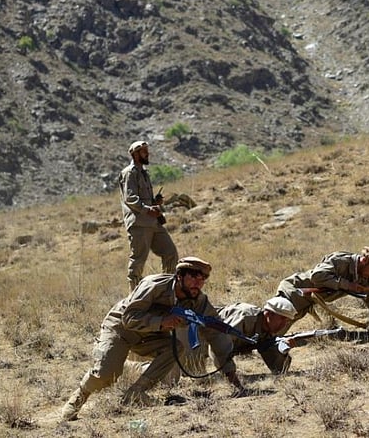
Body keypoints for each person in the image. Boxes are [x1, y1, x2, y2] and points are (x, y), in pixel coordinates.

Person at [61, 257, 245, 421]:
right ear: (179, 276)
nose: (199, 283)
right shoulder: (154, 285)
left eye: (203, 279)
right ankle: (79, 396)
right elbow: (129, 317)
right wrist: (162, 321)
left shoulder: (198, 301)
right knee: (106, 375)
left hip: (151, 336)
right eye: (194, 277)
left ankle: (135, 393)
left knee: (175, 349)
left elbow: (216, 332)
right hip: (120, 329)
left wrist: (230, 374)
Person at [276, 247, 369, 328]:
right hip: (295, 289)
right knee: (274, 325)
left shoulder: (363, 275)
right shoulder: (341, 261)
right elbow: (317, 276)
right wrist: (348, 285)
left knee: (279, 329)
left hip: (309, 298)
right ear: (365, 261)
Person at [119, 140, 179, 291]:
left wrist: (155, 202)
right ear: (136, 154)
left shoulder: (144, 173)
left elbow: (144, 199)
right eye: (144, 151)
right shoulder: (129, 173)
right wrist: (148, 209)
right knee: (138, 260)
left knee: (170, 252)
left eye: (147, 150)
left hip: (153, 223)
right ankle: (134, 296)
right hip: (139, 224)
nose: (148, 153)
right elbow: (130, 198)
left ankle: (168, 290)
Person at [214, 297, 299, 374]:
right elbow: (217, 343)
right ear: (268, 314)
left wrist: (283, 351)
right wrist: (230, 375)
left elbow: (279, 369)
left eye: (287, 321)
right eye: (282, 319)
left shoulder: (268, 331)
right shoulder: (245, 317)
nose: (283, 325)